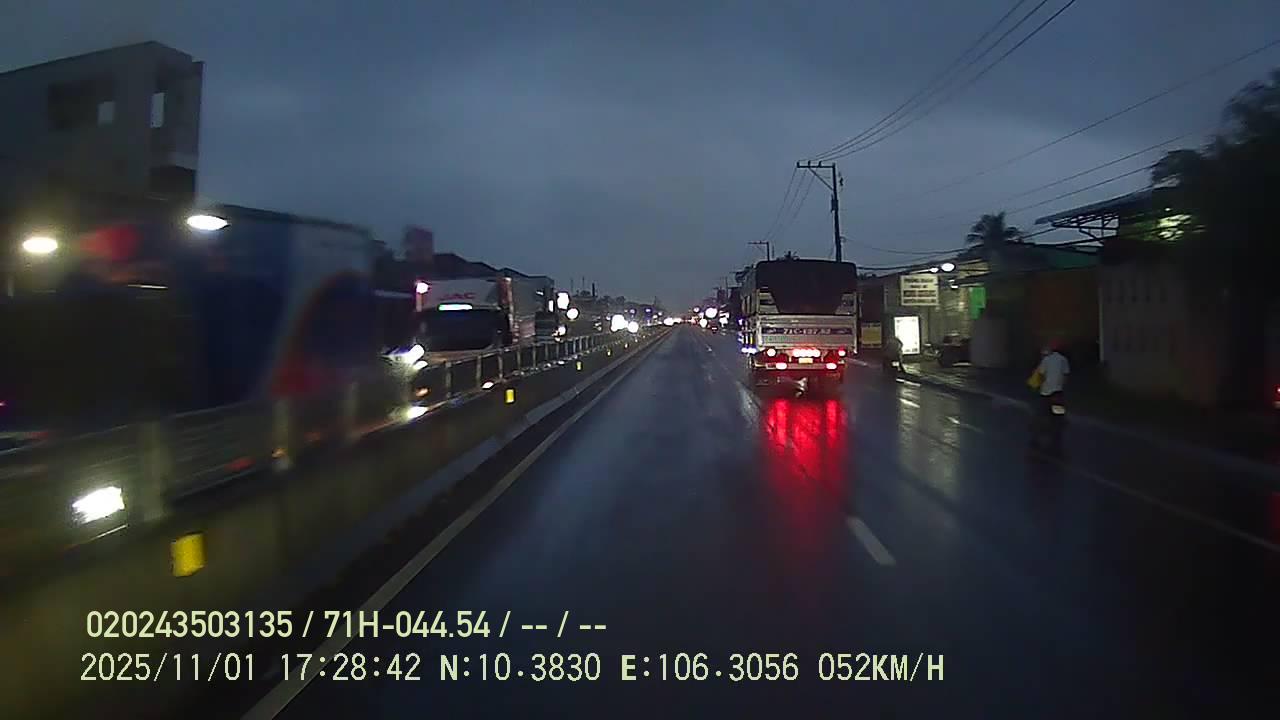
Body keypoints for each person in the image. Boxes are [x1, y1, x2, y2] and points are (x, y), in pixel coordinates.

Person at [1032, 340, 1070, 449]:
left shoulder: (1046, 360)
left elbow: (1040, 374)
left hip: (1046, 391)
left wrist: (1037, 385)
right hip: (1058, 392)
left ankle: (1040, 429)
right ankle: (1059, 425)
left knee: (1041, 411)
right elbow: (1066, 375)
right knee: (1059, 412)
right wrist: (1061, 386)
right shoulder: (1063, 359)